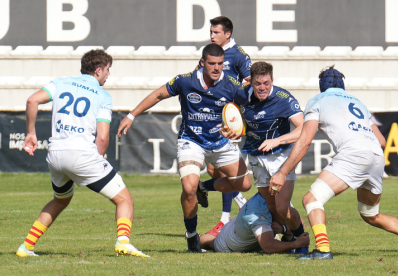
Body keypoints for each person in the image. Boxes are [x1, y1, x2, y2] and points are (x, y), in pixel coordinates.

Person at [117, 44, 252, 253]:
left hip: (221, 142)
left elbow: (247, 110)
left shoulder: (231, 84)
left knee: (244, 184)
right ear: (202, 63)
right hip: (192, 141)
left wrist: (238, 129)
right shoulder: (185, 81)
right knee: (188, 188)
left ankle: (204, 187)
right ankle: (191, 236)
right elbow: (158, 95)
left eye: (220, 64)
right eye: (212, 64)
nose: (217, 68)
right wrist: (132, 115)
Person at [270, 66, 398, 260]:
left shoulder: (318, 100)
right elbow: (381, 141)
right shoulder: (359, 103)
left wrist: (282, 172)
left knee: (311, 200)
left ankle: (322, 249)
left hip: (353, 155)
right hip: (376, 156)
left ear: (321, 86)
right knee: (371, 214)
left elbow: (304, 140)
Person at [16, 49, 149, 258]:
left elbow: (32, 100)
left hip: (56, 154)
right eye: (107, 70)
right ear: (98, 70)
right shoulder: (103, 96)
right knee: (124, 199)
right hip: (82, 155)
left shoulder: (61, 82)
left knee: (60, 199)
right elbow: (103, 138)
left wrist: (31, 133)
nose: (108, 75)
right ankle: (123, 241)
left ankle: (26, 246)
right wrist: (96, 161)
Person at [219, 61, 308, 254]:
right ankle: (287, 235)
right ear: (251, 82)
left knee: (282, 206)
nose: (262, 88)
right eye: (258, 83)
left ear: (272, 80)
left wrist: (277, 140)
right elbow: (233, 121)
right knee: (271, 205)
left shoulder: (283, 99)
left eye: (266, 83)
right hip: (256, 157)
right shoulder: (241, 95)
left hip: (280, 157)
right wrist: (228, 131)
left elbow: (304, 129)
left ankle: (302, 241)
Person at [203, 15, 252, 237]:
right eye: (211, 32)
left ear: (227, 34)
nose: (212, 35)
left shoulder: (239, 55)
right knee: (213, 169)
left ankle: (224, 219)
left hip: (229, 118)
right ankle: (243, 203)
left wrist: (240, 96)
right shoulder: (211, 54)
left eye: (216, 32)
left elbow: (250, 83)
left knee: (226, 166)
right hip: (210, 116)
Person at [200, 192, 309, 253]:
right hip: (229, 243)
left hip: (250, 232)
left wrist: (283, 229)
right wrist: (295, 244)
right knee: (211, 243)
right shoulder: (256, 213)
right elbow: (268, 246)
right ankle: (195, 240)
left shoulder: (278, 197)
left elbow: (299, 223)